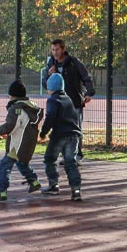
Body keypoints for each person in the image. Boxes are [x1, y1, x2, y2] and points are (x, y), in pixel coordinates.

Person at [0, 80, 43, 203]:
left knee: (4, 166)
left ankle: (0, 191)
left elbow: (12, 125)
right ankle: (33, 181)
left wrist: (0, 130)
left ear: (12, 95)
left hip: (17, 145)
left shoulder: (16, 108)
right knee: (22, 163)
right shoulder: (31, 106)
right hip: (28, 143)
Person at [40, 39, 95, 161]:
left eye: (57, 49)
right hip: (59, 103)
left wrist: (89, 92)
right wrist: (49, 75)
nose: (55, 52)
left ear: (63, 49)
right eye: (53, 50)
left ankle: (77, 156)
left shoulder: (73, 62)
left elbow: (86, 77)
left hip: (74, 102)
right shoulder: (51, 64)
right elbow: (45, 83)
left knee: (75, 129)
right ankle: (66, 155)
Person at [39, 73, 82, 202]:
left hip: (59, 135)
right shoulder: (68, 99)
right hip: (73, 135)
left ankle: (53, 185)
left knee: (50, 158)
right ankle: (76, 190)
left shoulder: (52, 100)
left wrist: (43, 132)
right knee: (70, 163)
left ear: (51, 88)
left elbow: (50, 117)